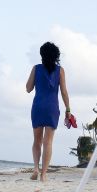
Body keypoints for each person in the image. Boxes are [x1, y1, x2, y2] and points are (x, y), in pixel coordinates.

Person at [26, 42, 70, 182]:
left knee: (37, 140)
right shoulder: (60, 70)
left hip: (38, 106)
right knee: (48, 142)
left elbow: (28, 88)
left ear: (42, 55)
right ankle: (44, 174)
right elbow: (63, 92)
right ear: (56, 55)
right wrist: (68, 109)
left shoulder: (36, 68)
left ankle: (35, 168)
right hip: (52, 107)